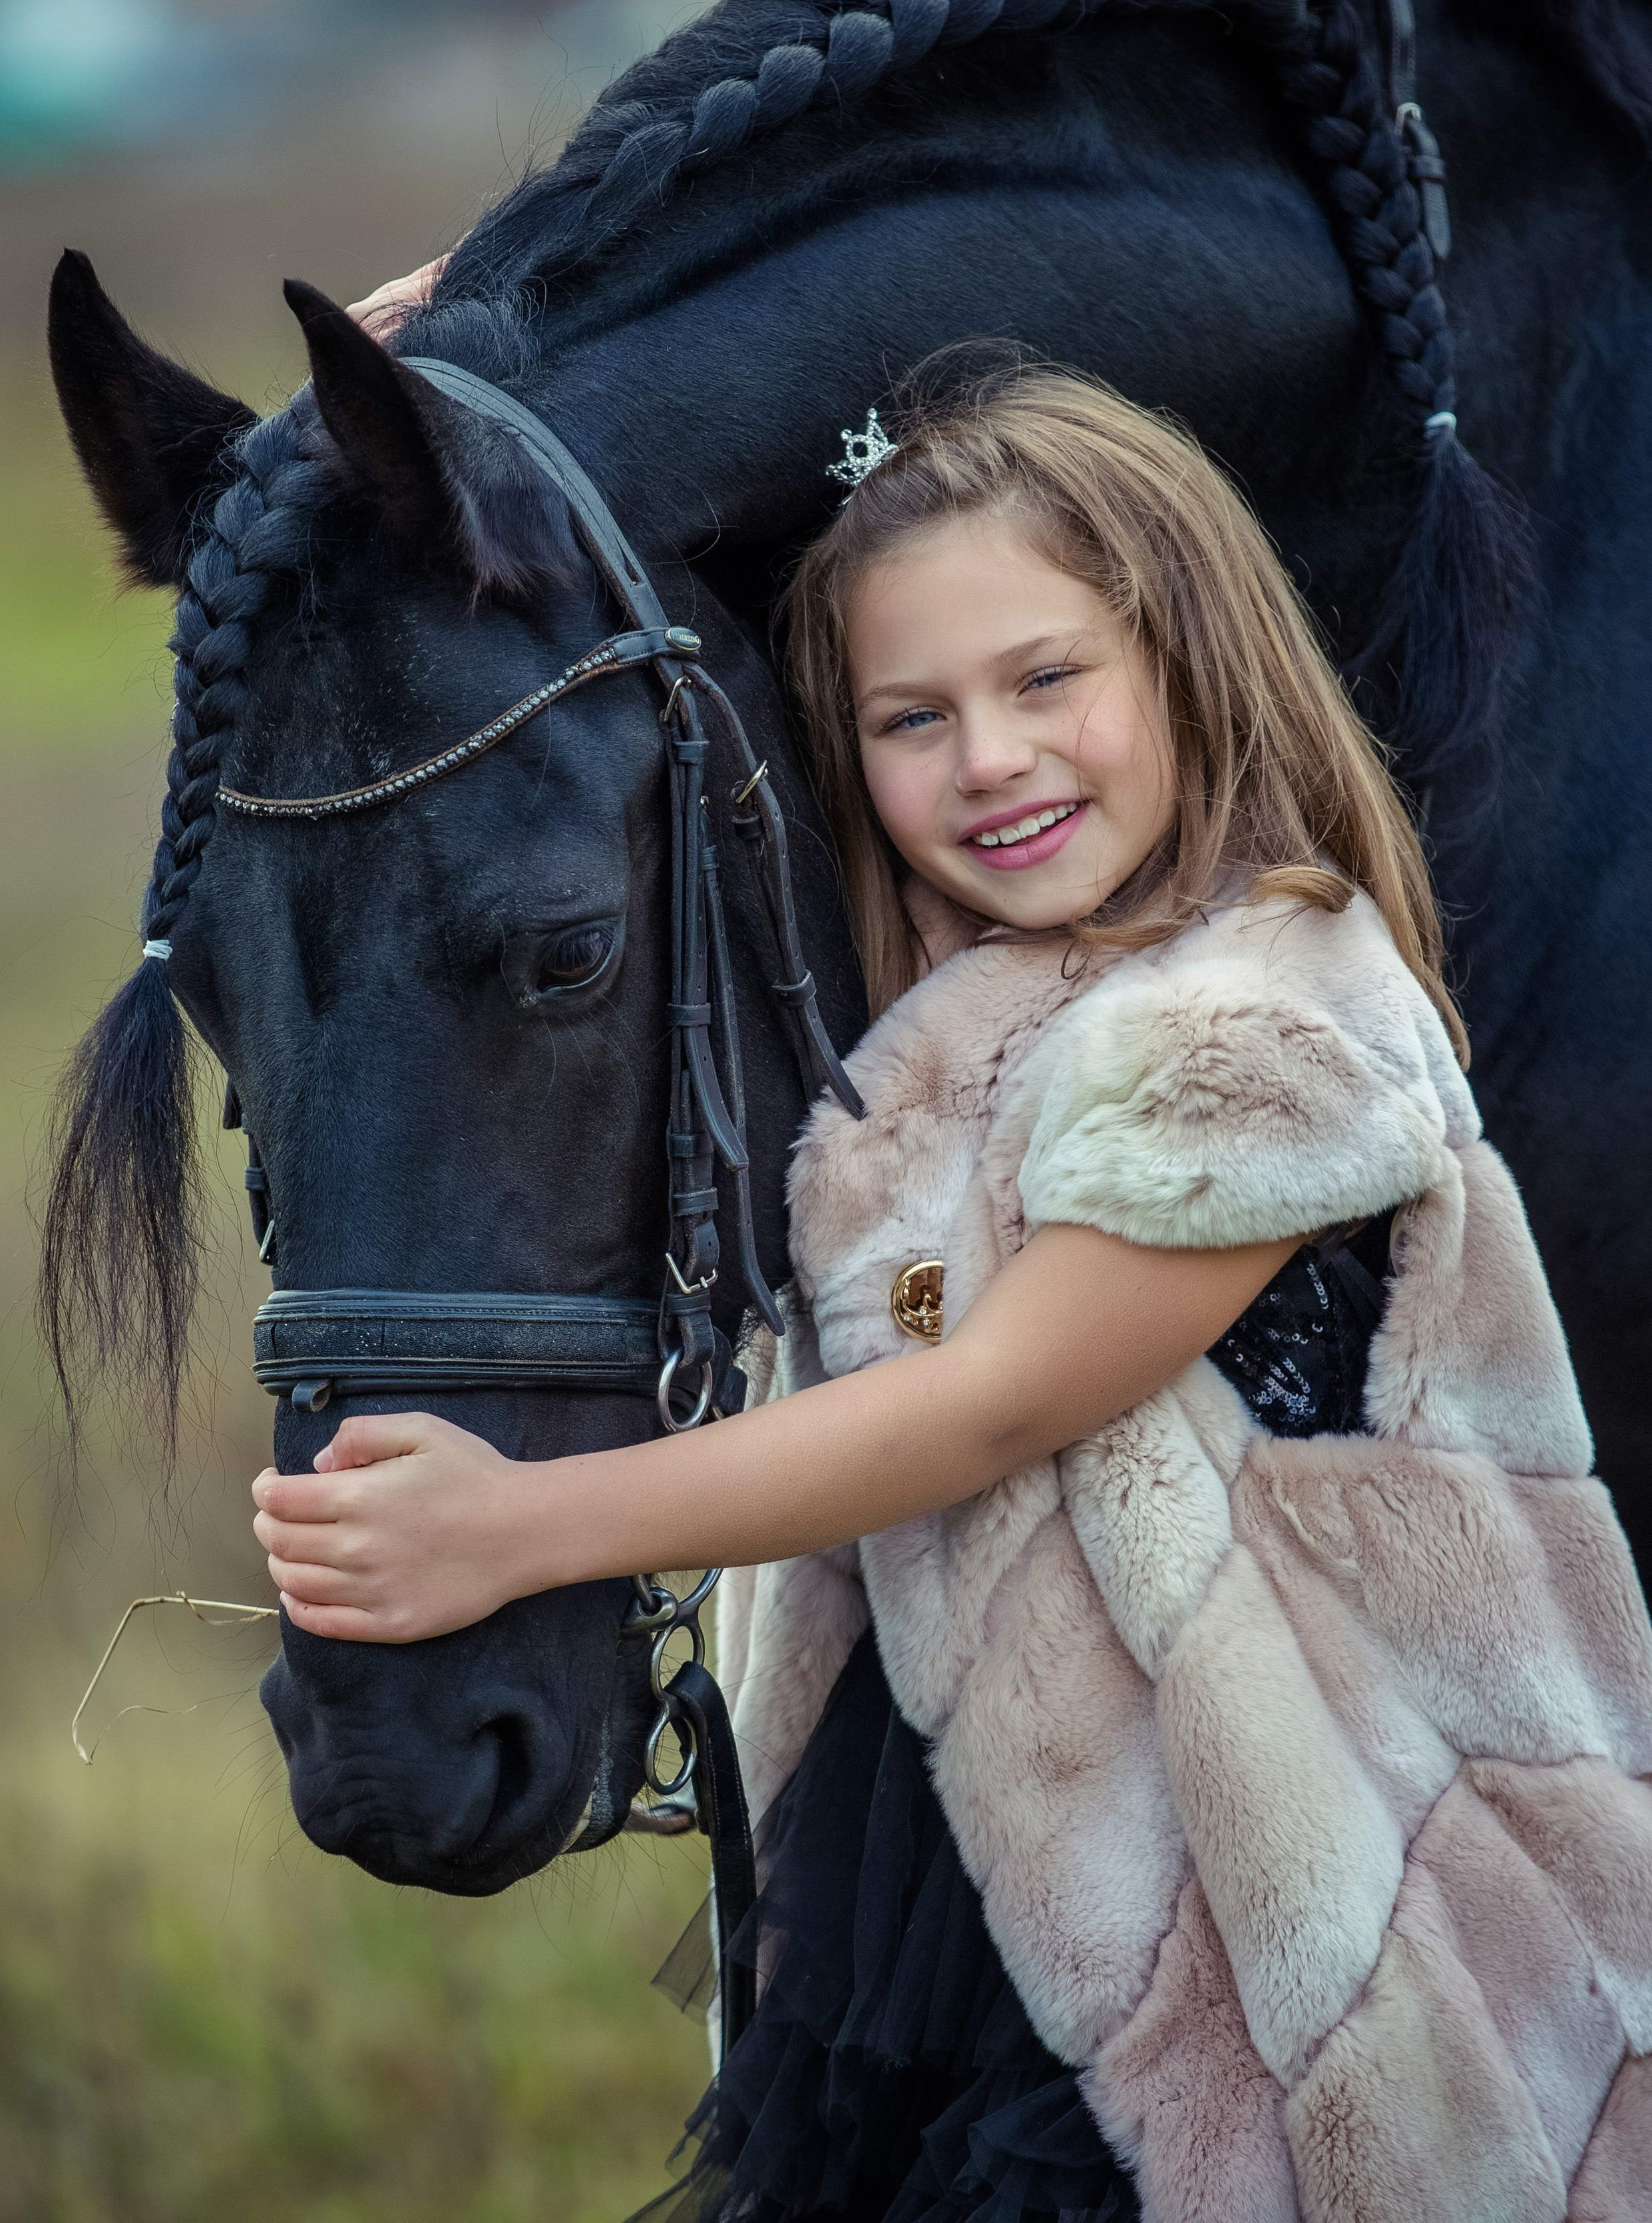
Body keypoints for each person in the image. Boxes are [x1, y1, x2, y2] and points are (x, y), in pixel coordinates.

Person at [252, 371, 1652, 2222]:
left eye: (1048, 680)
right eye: (913, 717)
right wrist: (440, 362)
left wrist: (527, 1528)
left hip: (1302, 1894)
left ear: (1193, 659)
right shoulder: (940, 1041)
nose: (989, 758)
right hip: (983, 1867)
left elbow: (990, 1403)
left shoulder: (1269, 1020)